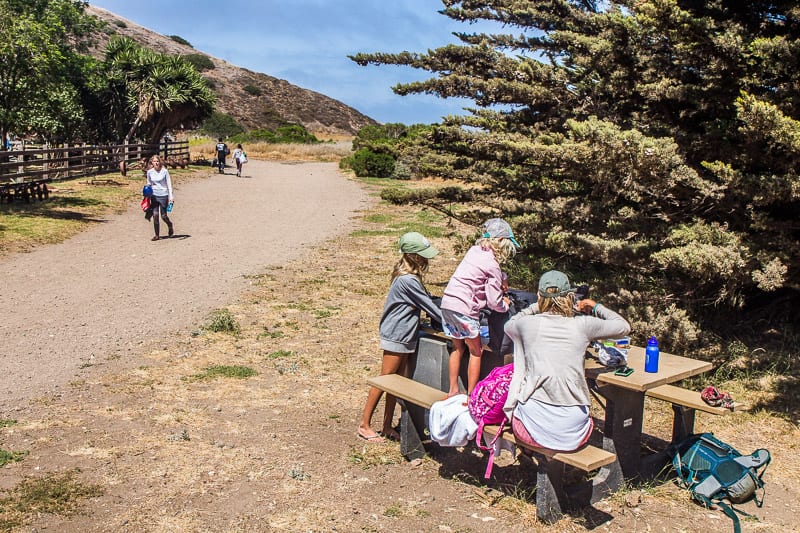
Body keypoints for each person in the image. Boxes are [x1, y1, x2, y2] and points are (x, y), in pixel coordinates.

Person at [503, 270, 631, 451]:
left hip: (531, 427)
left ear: (539, 296)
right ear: (570, 296)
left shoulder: (526, 325)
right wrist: (595, 306)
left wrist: (537, 307)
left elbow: (509, 324)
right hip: (574, 433)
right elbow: (624, 327)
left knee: (521, 414)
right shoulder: (584, 325)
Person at [357, 232, 443, 442]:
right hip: (397, 334)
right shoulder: (408, 281)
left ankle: (387, 425)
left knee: (396, 382)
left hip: (404, 333)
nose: (426, 259)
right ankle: (364, 424)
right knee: (385, 379)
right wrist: (453, 320)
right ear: (414, 256)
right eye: (423, 255)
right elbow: (430, 306)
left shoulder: (408, 277)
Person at [440, 218, 518, 397]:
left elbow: (478, 272)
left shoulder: (474, 251)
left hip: (448, 304)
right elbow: (493, 302)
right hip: (465, 309)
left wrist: (502, 275)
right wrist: (504, 305)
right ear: (499, 242)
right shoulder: (493, 265)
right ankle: (471, 395)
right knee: (476, 351)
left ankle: (453, 390)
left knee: (457, 348)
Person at [145, 155, 174, 241]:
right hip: (154, 195)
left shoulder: (164, 171)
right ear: (152, 163)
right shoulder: (149, 172)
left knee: (164, 216)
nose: (156, 163)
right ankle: (157, 235)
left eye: (157, 161)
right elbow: (149, 183)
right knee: (155, 215)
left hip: (163, 195)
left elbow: (169, 184)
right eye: (154, 161)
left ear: (160, 162)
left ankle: (170, 225)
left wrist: (171, 196)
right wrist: (146, 191)